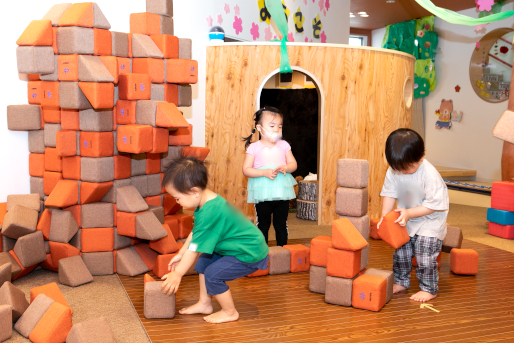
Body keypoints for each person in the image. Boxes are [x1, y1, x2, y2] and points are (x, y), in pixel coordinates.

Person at [160, 157, 269, 323]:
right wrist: (181, 253)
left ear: (194, 191)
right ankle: (205, 304)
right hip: (236, 247)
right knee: (204, 263)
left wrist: (178, 273)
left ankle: (229, 312)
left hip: (249, 252)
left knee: (212, 274)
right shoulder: (205, 201)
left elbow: (194, 248)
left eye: (177, 198)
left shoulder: (210, 211)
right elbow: (197, 233)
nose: (177, 202)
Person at [378, 128, 449, 302]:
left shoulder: (430, 175)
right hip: (406, 219)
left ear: (422, 156)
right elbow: (389, 193)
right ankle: (401, 281)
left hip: (430, 221)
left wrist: (409, 213)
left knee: (424, 255)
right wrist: (384, 217)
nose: (402, 172)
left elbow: (434, 205)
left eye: (408, 168)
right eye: (398, 168)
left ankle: (429, 288)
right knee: (401, 253)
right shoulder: (394, 170)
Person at [242, 106, 298, 246]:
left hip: (282, 193)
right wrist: (264, 172)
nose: (276, 130)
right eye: (272, 126)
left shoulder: (284, 145)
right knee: (263, 224)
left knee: (281, 224)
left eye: (279, 126)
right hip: (262, 193)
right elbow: (246, 170)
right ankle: (263, 252)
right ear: (259, 128)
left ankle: (282, 251)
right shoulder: (254, 147)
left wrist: (286, 167)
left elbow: (293, 164)